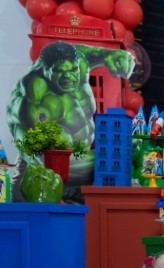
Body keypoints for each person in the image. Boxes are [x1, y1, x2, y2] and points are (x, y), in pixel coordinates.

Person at [6, 41, 134, 201]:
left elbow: (93, 53)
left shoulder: (78, 60)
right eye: (58, 71)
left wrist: (112, 55)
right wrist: (113, 154)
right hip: (42, 182)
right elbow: (46, 158)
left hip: (80, 172)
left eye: (72, 70)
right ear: (45, 70)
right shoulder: (35, 93)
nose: (67, 76)